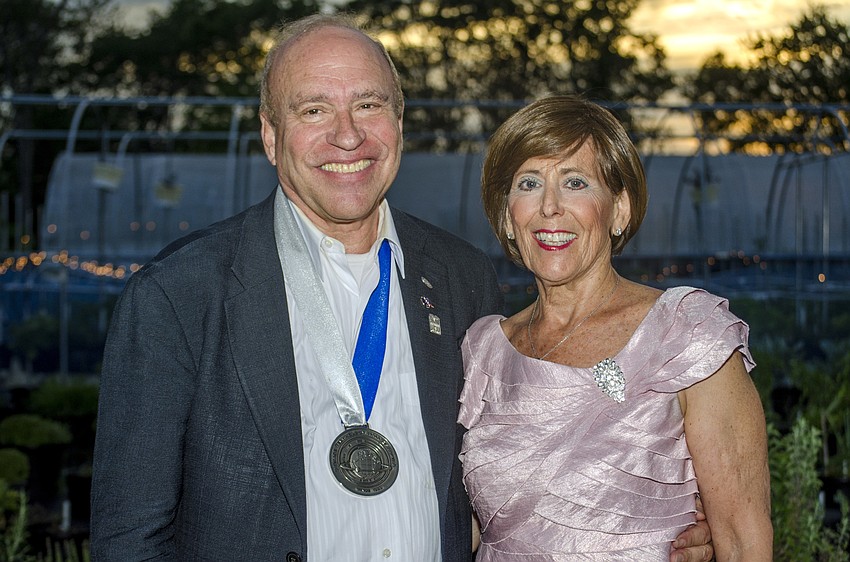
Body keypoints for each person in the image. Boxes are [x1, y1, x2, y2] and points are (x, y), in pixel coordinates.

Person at [90, 14, 714, 562]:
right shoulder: (178, 297)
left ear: (399, 120)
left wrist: (657, 521)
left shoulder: (464, 280)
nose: (347, 135)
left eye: (368, 104)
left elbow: (511, 473)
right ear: (271, 136)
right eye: (313, 110)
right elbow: (129, 539)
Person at [458, 94, 773, 561]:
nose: (550, 207)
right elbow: (466, 529)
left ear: (619, 209)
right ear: (508, 215)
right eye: (529, 183)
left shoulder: (685, 334)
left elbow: (744, 540)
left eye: (575, 182)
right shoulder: (482, 351)